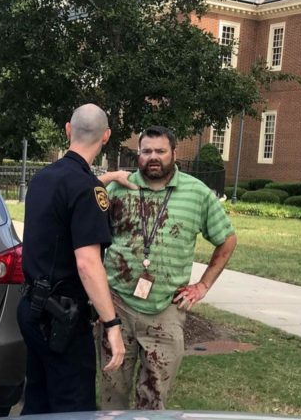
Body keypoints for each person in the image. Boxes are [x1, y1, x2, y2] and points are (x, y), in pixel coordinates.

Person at [98, 125, 237, 409]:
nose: (153, 157)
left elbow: (227, 240)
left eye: (160, 151)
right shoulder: (117, 189)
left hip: (167, 310)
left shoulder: (197, 193)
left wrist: (203, 285)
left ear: (174, 153)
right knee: (113, 394)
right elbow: (75, 208)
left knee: (154, 397)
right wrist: (108, 176)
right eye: (146, 151)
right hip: (116, 307)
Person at [17, 103, 125, 414]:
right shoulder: (88, 189)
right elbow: (88, 264)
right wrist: (112, 325)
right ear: (105, 136)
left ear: (67, 130)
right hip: (62, 318)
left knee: (38, 400)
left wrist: (109, 177)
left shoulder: (42, 178)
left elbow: (71, 194)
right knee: (72, 407)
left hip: (31, 309)